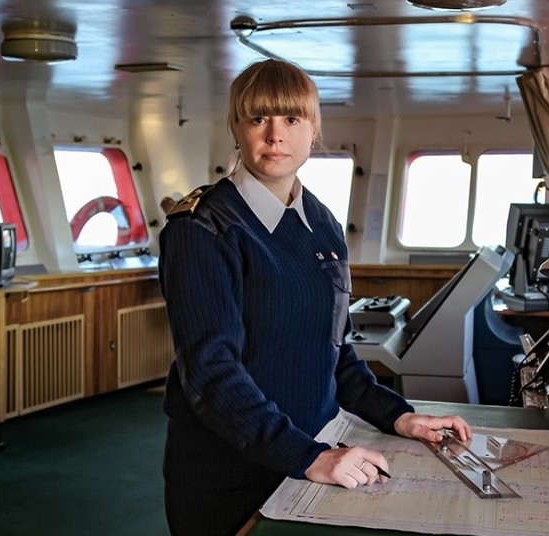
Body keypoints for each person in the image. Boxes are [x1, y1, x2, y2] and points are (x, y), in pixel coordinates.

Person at [158, 59, 472, 536]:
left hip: (315, 456)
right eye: (258, 118)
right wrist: (309, 457)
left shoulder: (321, 223)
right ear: (236, 129)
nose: (274, 136)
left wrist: (399, 416)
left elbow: (335, 354)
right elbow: (211, 372)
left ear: (313, 129)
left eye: (291, 119)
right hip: (231, 471)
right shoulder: (203, 227)